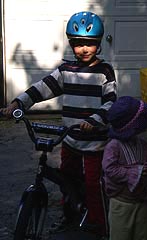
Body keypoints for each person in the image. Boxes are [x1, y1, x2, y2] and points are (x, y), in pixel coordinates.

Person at [0, 11, 117, 236]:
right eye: (78, 44)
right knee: (66, 180)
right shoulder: (66, 71)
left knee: (94, 185)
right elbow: (42, 88)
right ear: (71, 44)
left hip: (94, 141)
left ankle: (99, 224)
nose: (84, 49)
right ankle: (69, 214)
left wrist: (95, 119)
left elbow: (111, 101)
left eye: (90, 44)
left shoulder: (104, 71)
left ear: (99, 44)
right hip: (70, 139)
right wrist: (18, 103)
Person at [102, 96, 147, 240]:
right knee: (120, 235)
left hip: (141, 201)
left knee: (142, 235)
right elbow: (109, 169)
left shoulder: (142, 144)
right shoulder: (113, 146)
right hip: (121, 205)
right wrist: (136, 171)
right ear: (132, 126)